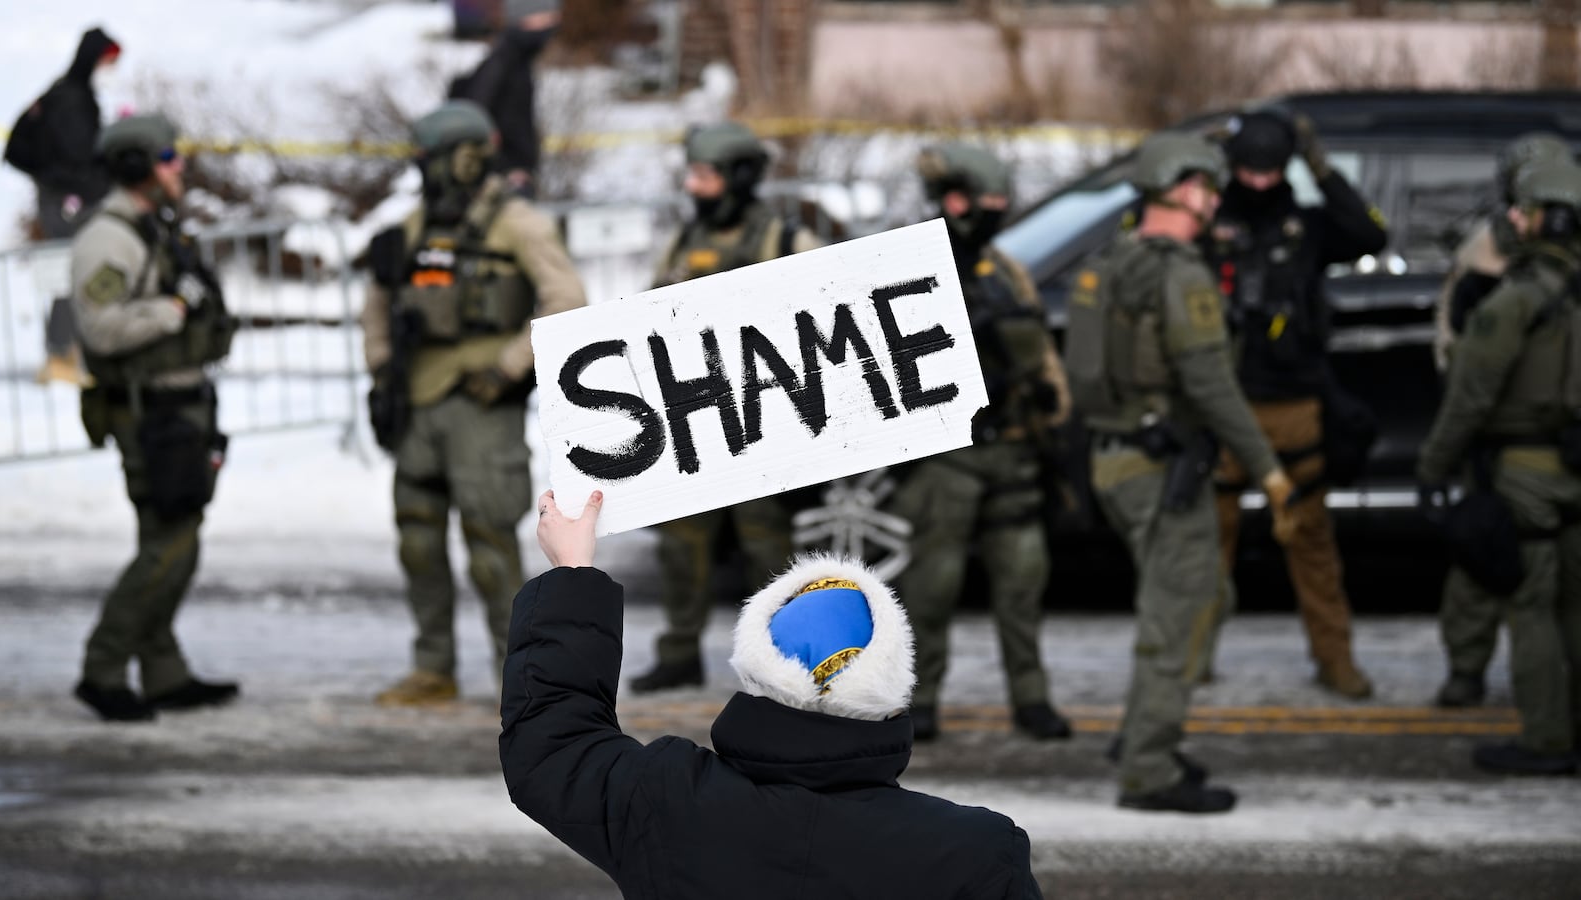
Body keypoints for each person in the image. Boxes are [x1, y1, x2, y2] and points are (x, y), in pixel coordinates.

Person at [500, 489, 1044, 899]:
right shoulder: (978, 856)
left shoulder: (665, 803)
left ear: (756, 674)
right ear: (894, 694)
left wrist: (573, 572)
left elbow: (554, 743)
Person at [1064, 132, 1297, 813]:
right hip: (1161, 467)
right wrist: (1270, 471)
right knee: (1179, 615)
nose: (1214, 200)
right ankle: (1148, 769)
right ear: (1188, 188)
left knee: (1204, 600)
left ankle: (1144, 731)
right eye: (1209, 187)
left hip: (1116, 461)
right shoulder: (1179, 274)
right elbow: (1213, 385)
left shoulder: (1109, 262)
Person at [361, 101, 586, 706]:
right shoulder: (412, 228)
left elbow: (565, 299)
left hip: (482, 403)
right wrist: (381, 367)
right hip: (419, 399)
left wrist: (509, 365)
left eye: (429, 159)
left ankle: (520, 681)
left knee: (491, 544)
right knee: (417, 538)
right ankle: (433, 666)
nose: (422, 170)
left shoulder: (518, 223)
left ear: (462, 158)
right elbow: (377, 300)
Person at [1202, 107, 1390, 699]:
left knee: (1311, 542)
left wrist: (1321, 167)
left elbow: (1369, 234)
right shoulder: (1208, 219)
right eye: (1247, 171)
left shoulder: (1307, 225)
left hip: (1295, 406)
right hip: (1222, 407)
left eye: (1271, 170)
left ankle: (1335, 660)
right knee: (1206, 545)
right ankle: (1189, 660)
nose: (1258, 183)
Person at [628, 121, 821, 694]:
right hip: (695, 419)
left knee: (765, 545)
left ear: (737, 178)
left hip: (760, 419)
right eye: (691, 175)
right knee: (681, 545)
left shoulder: (786, 240)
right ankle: (680, 651)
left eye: (706, 176)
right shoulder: (682, 241)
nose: (695, 186)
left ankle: (783, 658)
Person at [890, 142, 1074, 742]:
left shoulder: (1003, 268)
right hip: (945, 457)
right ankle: (920, 700)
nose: (996, 212)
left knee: (1023, 584)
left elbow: (1042, 354)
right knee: (931, 587)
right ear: (956, 200)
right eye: (987, 201)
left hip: (1013, 451)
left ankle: (1030, 697)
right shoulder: (907, 264)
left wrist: (1053, 409)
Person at [1416, 158, 1581, 777]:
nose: (1513, 221)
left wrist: (1434, 469)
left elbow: (1469, 397)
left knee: (1532, 605)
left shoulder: (1516, 302)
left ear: (1548, 219)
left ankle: (1546, 738)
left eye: (1524, 212)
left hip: (1527, 470)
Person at [71, 113, 238, 722]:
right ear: (138, 165)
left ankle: (162, 671)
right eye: (166, 155)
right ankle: (103, 666)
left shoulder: (154, 228)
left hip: (181, 408)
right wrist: (171, 310)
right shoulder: (110, 238)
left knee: (175, 544)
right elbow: (101, 327)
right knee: (169, 545)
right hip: (151, 415)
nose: (178, 167)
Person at [3, 26, 122, 385]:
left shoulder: (70, 92)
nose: (111, 70)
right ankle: (60, 354)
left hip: (65, 198)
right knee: (72, 274)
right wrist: (106, 182)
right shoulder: (72, 99)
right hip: (67, 203)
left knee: (78, 272)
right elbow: (76, 160)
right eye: (109, 62)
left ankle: (69, 351)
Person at [448, 0, 559, 196]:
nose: (553, 22)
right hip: (506, 178)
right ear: (525, 17)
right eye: (546, 17)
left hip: (514, 173)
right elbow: (476, 115)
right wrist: (507, 167)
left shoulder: (518, 59)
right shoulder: (504, 61)